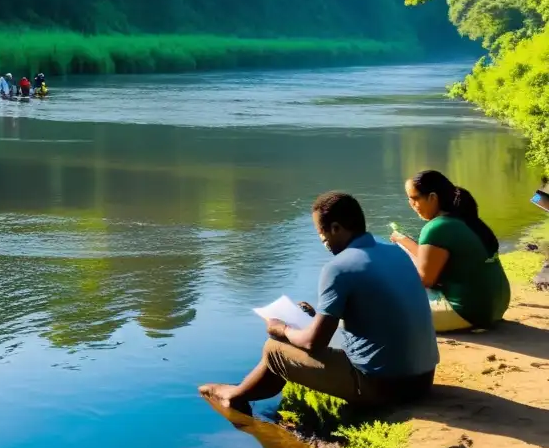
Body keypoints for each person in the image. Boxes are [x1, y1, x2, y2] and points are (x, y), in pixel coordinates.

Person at [200, 192, 438, 413]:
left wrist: (281, 328)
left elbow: (314, 343)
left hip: (385, 389)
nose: (322, 240)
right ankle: (243, 391)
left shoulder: (339, 267)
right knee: (313, 335)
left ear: (335, 228)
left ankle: (234, 396)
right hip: (423, 380)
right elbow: (372, 314)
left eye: (320, 233)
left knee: (273, 350)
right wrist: (315, 317)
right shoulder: (395, 252)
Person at [393, 170, 510, 333]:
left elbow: (424, 281)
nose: (411, 205)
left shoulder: (436, 227)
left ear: (432, 198)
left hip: (467, 313)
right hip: (495, 308)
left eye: (414, 199)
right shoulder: (464, 219)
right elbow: (432, 259)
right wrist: (402, 240)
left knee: (383, 313)